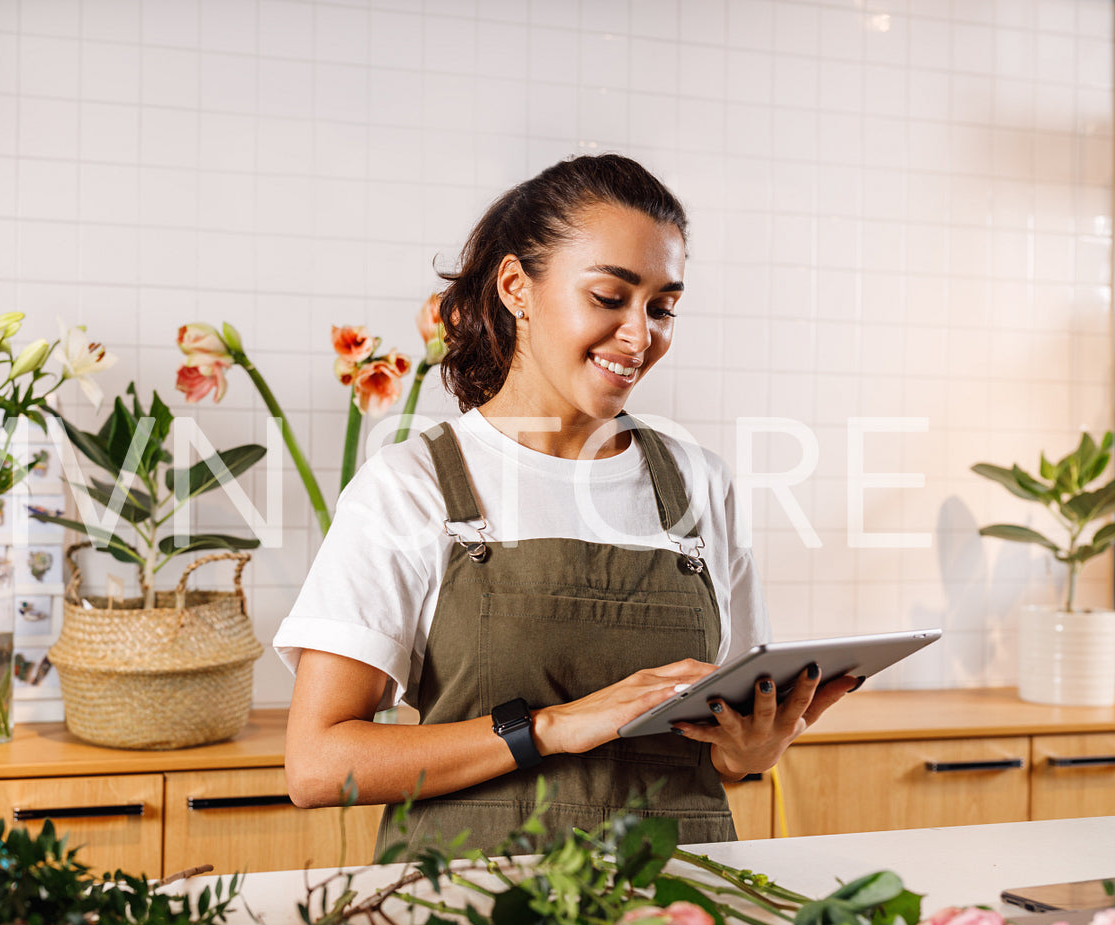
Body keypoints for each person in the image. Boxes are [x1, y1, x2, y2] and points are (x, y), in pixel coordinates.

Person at [274, 154, 856, 857]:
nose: (641, 336)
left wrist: (752, 748)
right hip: (474, 916)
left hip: (675, 911)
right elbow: (315, 765)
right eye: (610, 297)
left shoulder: (699, 484)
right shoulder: (412, 484)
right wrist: (548, 726)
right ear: (517, 286)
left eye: (662, 307)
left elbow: (725, 756)